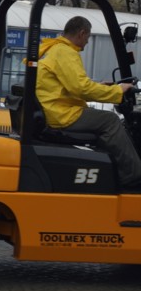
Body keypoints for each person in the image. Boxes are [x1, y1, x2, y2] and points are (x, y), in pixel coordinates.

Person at [36, 15, 141, 188]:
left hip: (56, 108)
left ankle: (111, 168)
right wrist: (117, 90)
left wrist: (99, 86)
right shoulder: (65, 52)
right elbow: (81, 89)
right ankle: (133, 175)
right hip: (61, 113)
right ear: (82, 33)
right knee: (110, 120)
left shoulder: (56, 49)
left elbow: (70, 85)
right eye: (88, 37)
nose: (87, 42)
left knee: (104, 121)